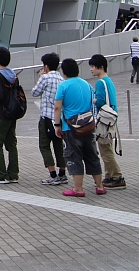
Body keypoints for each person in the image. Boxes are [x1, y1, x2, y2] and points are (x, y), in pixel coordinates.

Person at [54, 58, 105, 197]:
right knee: (92, 155)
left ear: (64, 72)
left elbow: (57, 107)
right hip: (88, 125)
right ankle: (100, 186)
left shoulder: (63, 86)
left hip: (70, 127)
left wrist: (57, 125)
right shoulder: (87, 84)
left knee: (74, 156)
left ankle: (78, 189)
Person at [89, 54, 125, 189]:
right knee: (107, 147)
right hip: (111, 119)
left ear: (101, 67)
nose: (91, 69)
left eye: (93, 66)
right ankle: (109, 175)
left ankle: (117, 176)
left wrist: (93, 100)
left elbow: (100, 101)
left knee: (105, 150)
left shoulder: (100, 82)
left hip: (104, 120)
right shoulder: (108, 81)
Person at [31, 52, 67, 186]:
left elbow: (35, 92)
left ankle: (52, 174)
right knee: (59, 146)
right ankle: (62, 173)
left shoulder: (45, 78)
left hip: (46, 117)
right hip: (59, 118)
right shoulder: (62, 79)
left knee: (44, 146)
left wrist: (40, 77)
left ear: (45, 66)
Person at [0, 47, 20, 184]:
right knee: (11, 144)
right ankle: (13, 173)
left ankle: (2, 175)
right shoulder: (13, 74)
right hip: (12, 113)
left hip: (1, 114)